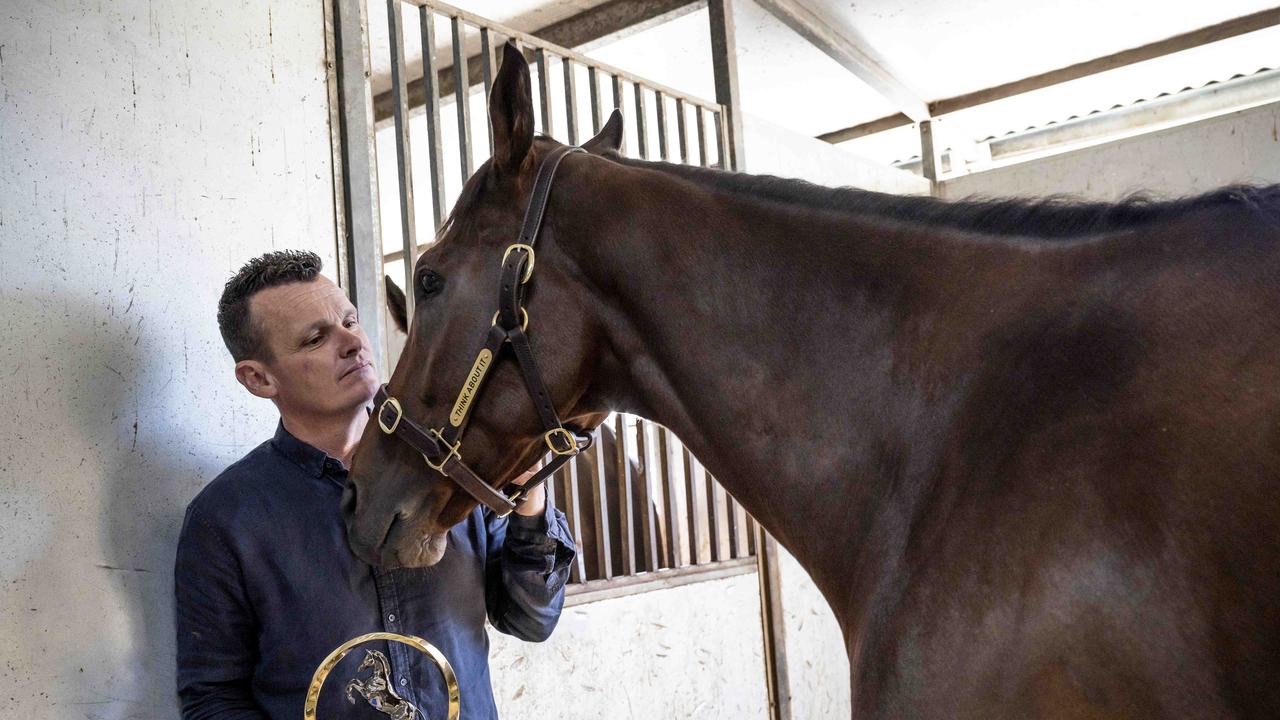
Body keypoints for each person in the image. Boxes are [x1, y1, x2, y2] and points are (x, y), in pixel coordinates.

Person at [175, 250, 575, 719]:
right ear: (259, 378)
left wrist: (529, 494)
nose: (351, 342)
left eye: (350, 320)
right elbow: (212, 698)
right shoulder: (226, 518)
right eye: (315, 338)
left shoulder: (449, 463)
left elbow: (531, 618)